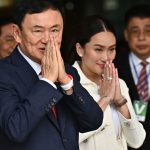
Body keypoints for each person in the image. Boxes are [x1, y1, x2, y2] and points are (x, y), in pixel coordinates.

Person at [0, 1, 103, 150]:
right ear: (17, 33)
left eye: (55, 30)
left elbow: (93, 121)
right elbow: (16, 129)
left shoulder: (67, 71)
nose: (47, 39)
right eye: (38, 31)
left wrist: (66, 83)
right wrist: (47, 81)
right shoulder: (3, 73)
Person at [68, 15, 146, 150]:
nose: (106, 57)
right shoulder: (67, 84)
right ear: (80, 49)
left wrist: (120, 101)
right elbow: (66, 138)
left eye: (111, 49)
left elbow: (136, 141)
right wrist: (104, 100)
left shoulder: (119, 84)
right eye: (98, 49)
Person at [114, 4, 150, 150]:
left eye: (148, 31)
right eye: (135, 31)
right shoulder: (112, 66)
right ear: (126, 35)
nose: (141, 37)